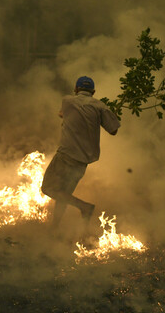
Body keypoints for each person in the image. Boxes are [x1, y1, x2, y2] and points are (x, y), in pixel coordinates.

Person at [41, 76, 120, 229]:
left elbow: (61, 114)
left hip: (65, 155)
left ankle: (84, 207)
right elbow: (114, 130)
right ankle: (54, 228)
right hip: (82, 161)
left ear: (76, 90)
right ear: (94, 92)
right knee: (64, 194)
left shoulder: (67, 101)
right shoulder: (100, 107)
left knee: (48, 189)